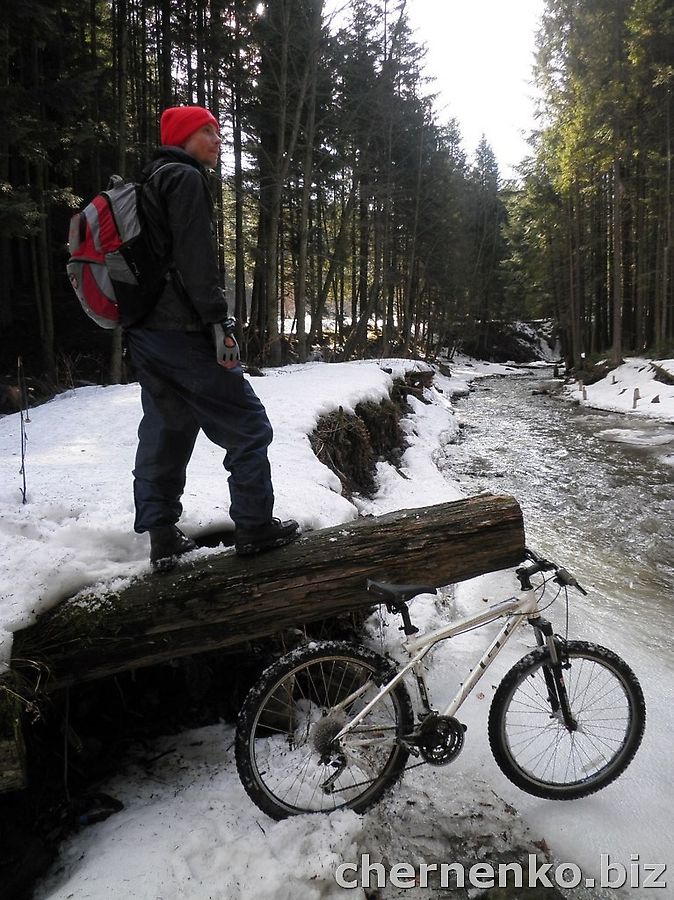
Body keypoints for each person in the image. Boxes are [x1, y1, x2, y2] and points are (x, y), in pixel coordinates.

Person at [125, 104, 298, 571]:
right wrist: (219, 323)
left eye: (219, 133)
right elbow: (196, 261)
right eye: (208, 133)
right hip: (182, 332)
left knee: (167, 429)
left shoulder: (149, 181)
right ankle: (255, 528)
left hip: (144, 333)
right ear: (183, 138)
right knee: (248, 426)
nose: (218, 141)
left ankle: (162, 537)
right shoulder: (185, 179)